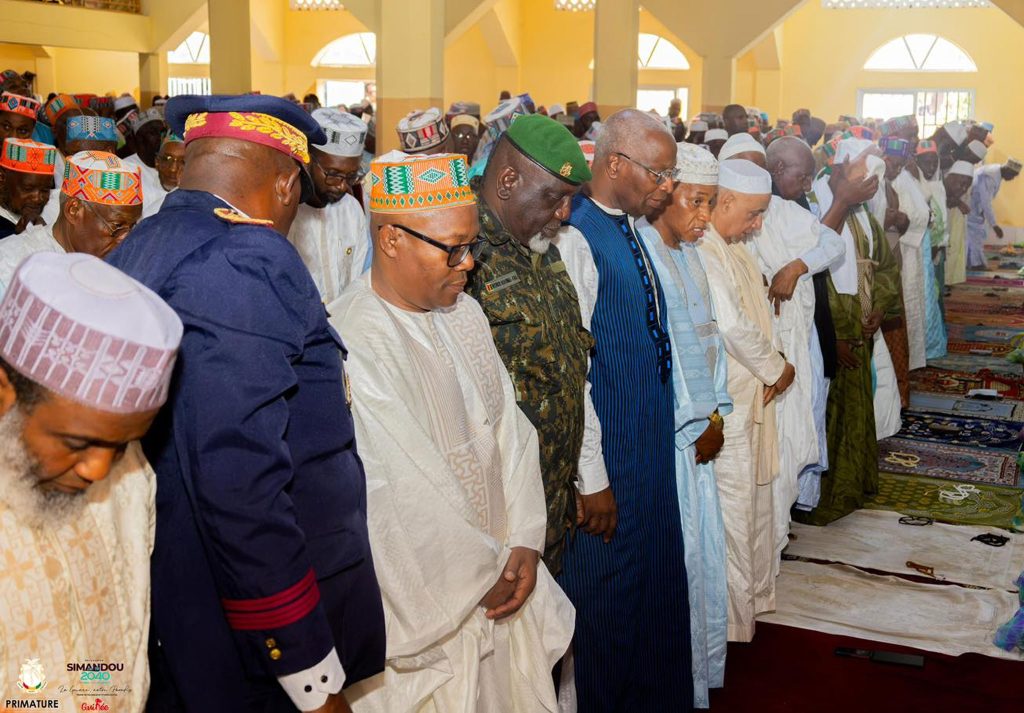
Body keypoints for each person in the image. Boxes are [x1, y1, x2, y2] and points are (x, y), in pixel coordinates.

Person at [106, 94, 386, 713]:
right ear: (286, 184)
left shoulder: (145, 240)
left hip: (175, 585)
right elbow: (239, 479)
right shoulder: (246, 258)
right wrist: (308, 668)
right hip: (241, 627)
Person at [330, 150, 573, 712]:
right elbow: (396, 495)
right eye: (453, 249)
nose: (468, 264)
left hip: (503, 572)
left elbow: (510, 433)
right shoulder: (353, 338)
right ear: (391, 239)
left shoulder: (465, 313)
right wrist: (480, 572)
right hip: (434, 602)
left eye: (473, 246)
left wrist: (524, 539)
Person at [0, 251, 181, 713]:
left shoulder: (131, 478)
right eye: (78, 443)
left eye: (121, 444)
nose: (99, 470)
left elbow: (120, 640)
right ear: (3, 394)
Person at [556, 109, 693, 712]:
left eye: (670, 175)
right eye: (658, 174)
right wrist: (592, 478)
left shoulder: (629, 225)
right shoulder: (577, 235)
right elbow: (575, 372)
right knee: (605, 603)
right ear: (615, 164)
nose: (667, 187)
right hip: (608, 460)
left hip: (647, 450)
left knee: (654, 589)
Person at [463, 113, 595, 576]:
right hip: (493, 517)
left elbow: (563, 369)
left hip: (549, 500)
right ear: (508, 181)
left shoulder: (541, 249)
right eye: (554, 198)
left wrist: (571, 479)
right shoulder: (461, 249)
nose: (564, 214)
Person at [639, 142, 731, 708]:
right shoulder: (646, 252)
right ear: (666, 194)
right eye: (696, 201)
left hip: (700, 432)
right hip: (671, 438)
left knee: (700, 559)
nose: (704, 216)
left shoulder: (689, 253)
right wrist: (698, 420)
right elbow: (662, 357)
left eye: (711, 203)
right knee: (677, 563)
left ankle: (694, 677)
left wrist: (715, 412)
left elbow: (708, 342)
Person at [696, 159, 794, 643]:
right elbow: (733, 326)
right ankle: (728, 625)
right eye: (753, 214)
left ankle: (746, 607)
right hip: (727, 407)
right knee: (733, 514)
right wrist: (778, 368)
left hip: (750, 394)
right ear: (727, 200)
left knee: (752, 508)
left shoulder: (732, 247)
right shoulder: (705, 249)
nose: (757, 226)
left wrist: (777, 362)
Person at [796, 139, 902, 526]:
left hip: (862, 323)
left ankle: (854, 485)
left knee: (858, 410)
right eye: (863, 175)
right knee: (828, 414)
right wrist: (833, 336)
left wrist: (879, 309)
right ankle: (822, 498)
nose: (870, 184)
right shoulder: (816, 208)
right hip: (829, 332)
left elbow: (884, 266)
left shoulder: (864, 215)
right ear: (840, 168)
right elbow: (812, 276)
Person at [756, 136, 845, 550]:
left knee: (796, 426)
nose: (809, 184)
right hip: (760, 341)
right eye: (803, 175)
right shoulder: (749, 209)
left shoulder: (791, 210)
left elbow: (831, 243)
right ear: (777, 170)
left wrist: (796, 266)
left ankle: (784, 516)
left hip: (796, 336)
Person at [0, 150, 142, 292]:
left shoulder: (124, 267)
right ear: (74, 210)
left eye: (132, 227)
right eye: (117, 226)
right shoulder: (12, 266)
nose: (126, 239)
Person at [288, 108, 370, 304]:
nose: (342, 186)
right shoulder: (286, 212)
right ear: (307, 159)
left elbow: (360, 279)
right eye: (332, 174)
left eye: (351, 176)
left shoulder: (351, 210)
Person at [879, 136, 932, 369]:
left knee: (910, 301)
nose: (897, 169)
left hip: (910, 247)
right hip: (895, 247)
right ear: (883, 158)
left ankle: (910, 359)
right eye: (893, 164)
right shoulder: (877, 181)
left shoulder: (901, 178)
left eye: (901, 165)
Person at [913, 140, 949, 312]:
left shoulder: (938, 186)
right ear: (917, 161)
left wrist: (941, 243)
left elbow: (943, 217)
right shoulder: (913, 185)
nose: (932, 167)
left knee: (937, 288)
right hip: (922, 247)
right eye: (927, 162)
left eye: (935, 163)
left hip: (938, 247)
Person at [967, 159, 1021, 269]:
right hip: (970, 207)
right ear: (1008, 170)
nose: (1012, 179)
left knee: (975, 235)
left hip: (974, 207)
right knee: (976, 235)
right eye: (1013, 175)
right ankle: (975, 264)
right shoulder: (990, 177)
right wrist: (994, 225)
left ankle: (973, 263)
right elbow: (986, 202)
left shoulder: (995, 171)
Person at [0, 138, 54, 238]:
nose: (37, 198)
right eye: (28, 189)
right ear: (2, 178)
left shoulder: (53, 213)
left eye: (45, 190)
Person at [124, 107, 167, 217]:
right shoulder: (126, 168)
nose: (160, 137)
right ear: (139, 138)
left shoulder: (174, 164)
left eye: (162, 132)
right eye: (152, 133)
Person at [944, 160, 975, 286]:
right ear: (950, 178)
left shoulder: (958, 198)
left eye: (967, 186)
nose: (963, 189)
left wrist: (957, 202)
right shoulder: (935, 191)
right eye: (961, 184)